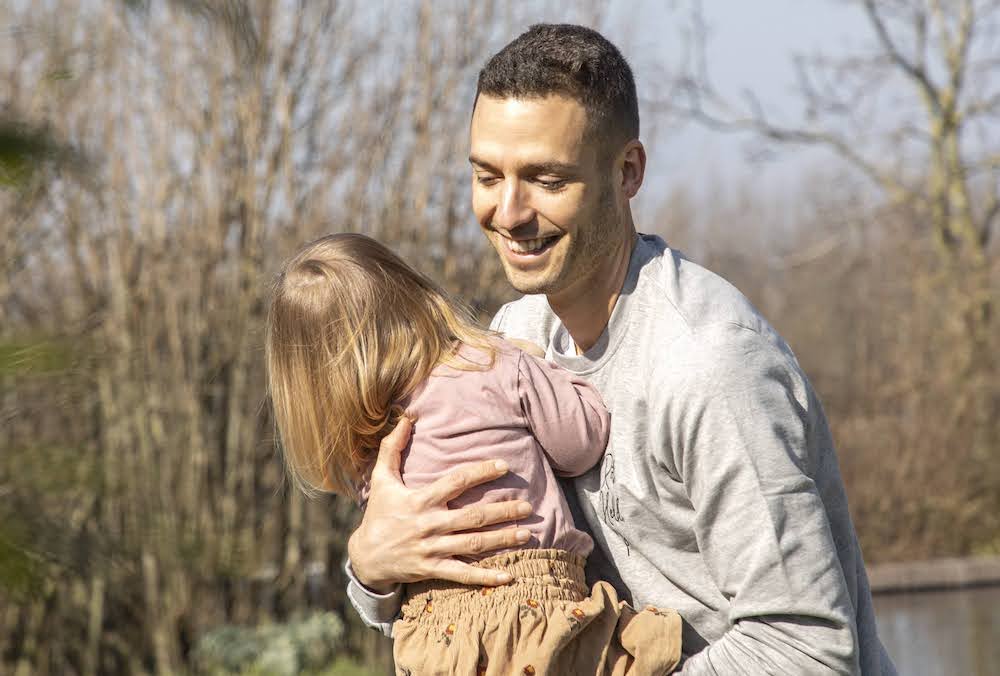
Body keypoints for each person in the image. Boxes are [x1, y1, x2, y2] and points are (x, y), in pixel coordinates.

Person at [345, 23, 897, 675]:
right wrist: (373, 569)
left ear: (627, 171)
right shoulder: (512, 339)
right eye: (487, 175)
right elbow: (470, 579)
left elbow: (808, 651)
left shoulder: (712, 366)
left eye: (547, 180)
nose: (509, 212)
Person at [265, 233, 682, 675]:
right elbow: (584, 443)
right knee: (644, 653)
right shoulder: (494, 361)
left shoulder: (371, 453)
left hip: (431, 639)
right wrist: (546, 371)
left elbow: (390, 557)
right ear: (416, 295)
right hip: (530, 611)